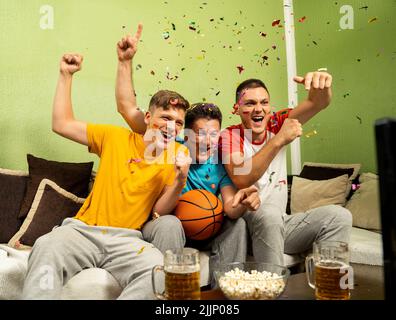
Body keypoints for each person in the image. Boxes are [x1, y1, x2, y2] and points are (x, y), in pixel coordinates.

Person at [22, 48, 191, 299]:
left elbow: (158, 211)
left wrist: (179, 180)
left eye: (178, 122)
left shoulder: (177, 155)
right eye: (165, 117)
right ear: (147, 117)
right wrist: (66, 75)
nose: (171, 127)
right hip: (83, 231)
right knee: (46, 246)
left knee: (161, 272)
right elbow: (62, 123)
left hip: (129, 240)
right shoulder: (115, 137)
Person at [115, 24, 261, 278]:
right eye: (200, 134)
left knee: (236, 224)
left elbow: (230, 207)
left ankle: (227, 293)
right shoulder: (166, 147)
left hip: (205, 229)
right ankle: (169, 292)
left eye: (214, 134)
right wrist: (126, 62)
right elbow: (128, 108)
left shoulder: (219, 163)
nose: (207, 141)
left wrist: (243, 203)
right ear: (186, 134)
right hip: (167, 227)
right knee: (170, 223)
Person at [220, 74, 353, 266]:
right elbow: (243, 178)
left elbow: (317, 103)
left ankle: (328, 286)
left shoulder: (277, 122)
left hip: (280, 224)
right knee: (269, 214)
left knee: (339, 216)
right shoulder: (229, 136)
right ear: (237, 109)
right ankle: (272, 289)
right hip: (248, 230)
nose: (259, 108)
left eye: (264, 102)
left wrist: (321, 88)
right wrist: (279, 139)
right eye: (249, 103)